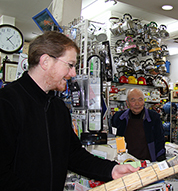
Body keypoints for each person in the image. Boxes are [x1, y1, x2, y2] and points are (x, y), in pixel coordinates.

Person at [0, 31, 139, 191]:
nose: (73, 74)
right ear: (45, 61)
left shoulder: (58, 108)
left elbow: (73, 154)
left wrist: (112, 170)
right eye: (70, 65)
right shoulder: (6, 103)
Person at [111, 88, 166, 162]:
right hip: (125, 161)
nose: (137, 103)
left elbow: (160, 140)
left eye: (140, 100)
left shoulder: (154, 117)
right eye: (133, 100)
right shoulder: (119, 117)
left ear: (144, 101)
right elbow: (113, 138)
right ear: (127, 103)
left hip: (147, 162)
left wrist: (160, 159)